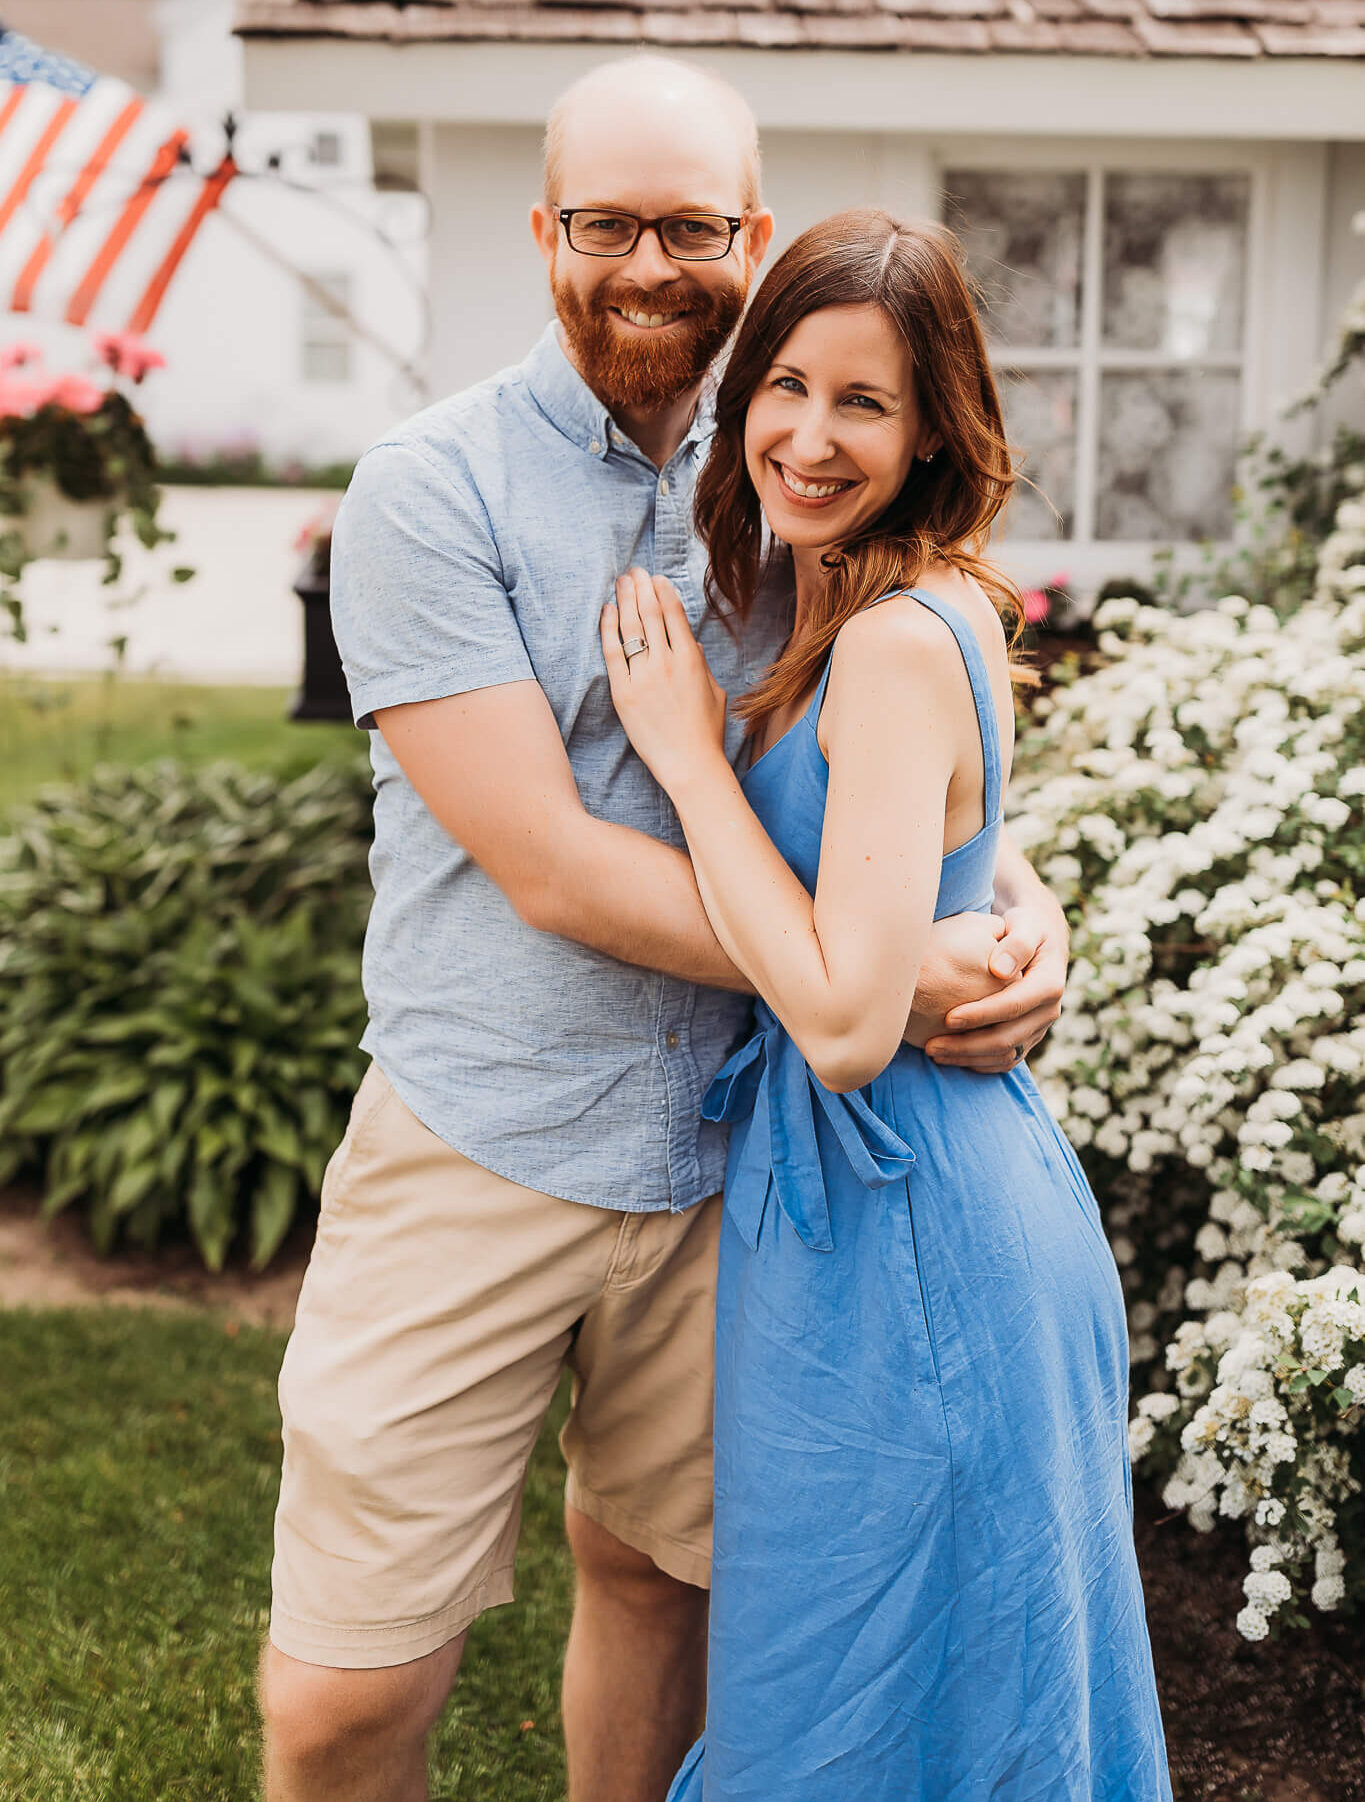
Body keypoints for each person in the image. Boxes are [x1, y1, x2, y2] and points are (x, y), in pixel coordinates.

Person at [258, 60, 1073, 1802]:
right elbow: (549, 862)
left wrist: (1008, 908)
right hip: (483, 1139)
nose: (649, 262)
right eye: (606, 223)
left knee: (659, 1594)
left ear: (747, 235)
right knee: (342, 1690)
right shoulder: (432, 488)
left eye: (690, 226)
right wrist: (885, 976)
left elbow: (898, 750)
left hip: (742, 1165)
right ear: (543, 232)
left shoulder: (797, 449)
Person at [602, 208, 1171, 1801]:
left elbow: (847, 1023)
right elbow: (938, 850)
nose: (806, 432)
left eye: (864, 401)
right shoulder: (885, 602)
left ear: (932, 428)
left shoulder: (892, 644)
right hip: (874, 1221)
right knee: (887, 1684)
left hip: (915, 1230)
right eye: (783, 384)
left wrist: (688, 758)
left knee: (871, 1708)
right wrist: (1016, 898)